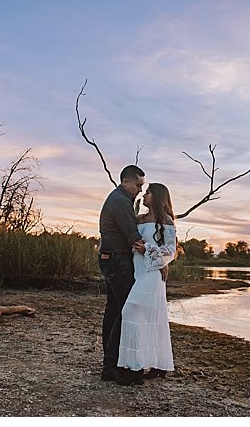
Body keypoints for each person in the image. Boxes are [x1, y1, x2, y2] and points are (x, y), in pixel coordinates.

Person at [116, 183, 177, 386]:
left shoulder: (166, 221)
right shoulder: (138, 219)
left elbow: (170, 251)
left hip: (152, 273)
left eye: (148, 192)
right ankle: (151, 364)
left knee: (130, 311)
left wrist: (149, 250)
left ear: (158, 197)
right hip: (138, 271)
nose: (144, 194)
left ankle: (136, 370)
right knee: (145, 318)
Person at [98, 165, 146, 382]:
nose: (140, 190)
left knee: (115, 309)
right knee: (124, 310)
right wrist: (159, 257)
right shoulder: (120, 200)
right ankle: (112, 365)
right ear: (126, 182)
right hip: (117, 260)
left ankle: (111, 363)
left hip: (112, 258)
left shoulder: (122, 199)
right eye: (138, 185)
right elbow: (133, 236)